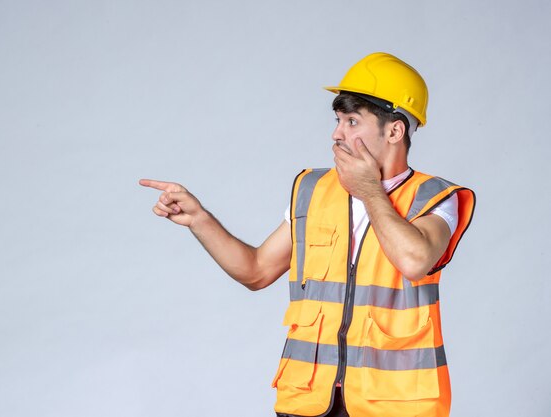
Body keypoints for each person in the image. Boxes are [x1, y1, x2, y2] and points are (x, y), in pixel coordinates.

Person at [140, 52, 475, 417]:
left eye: (352, 121)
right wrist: (200, 220)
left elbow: (414, 261)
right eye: (337, 120)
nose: (336, 133)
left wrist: (370, 191)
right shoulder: (313, 190)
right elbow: (255, 271)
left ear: (394, 130)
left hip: (395, 405)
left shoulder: (434, 197)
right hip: (309, 400)